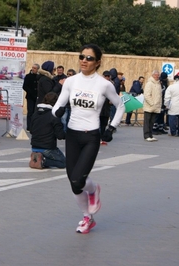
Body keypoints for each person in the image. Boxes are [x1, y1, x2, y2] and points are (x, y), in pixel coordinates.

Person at [51, 44, 125, 234]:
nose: (84, 60)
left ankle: (93, 191)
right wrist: (57, 112)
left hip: (91, 135)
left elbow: (120, 105)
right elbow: (58, 105)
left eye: (89, 58)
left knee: (78, 179)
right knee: (74, 183)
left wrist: (111, 127)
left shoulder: (104, 84)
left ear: (98, 62)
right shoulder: (71, 81)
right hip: (72, 135)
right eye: (81, 56)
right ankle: (87, 218)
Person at [30, 92, 66, 169]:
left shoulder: (35, 114)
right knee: (63, 163)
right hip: (47, 147)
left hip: (34, 146)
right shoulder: (54, 116)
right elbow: (60, 136)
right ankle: (43, 161)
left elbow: (31, 130)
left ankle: (37, 158)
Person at [142, 70, 162, 142]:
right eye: (156, 75)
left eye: (158, 75)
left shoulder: (159, 84)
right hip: (149, 106)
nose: (158, 76)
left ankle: (150, 135)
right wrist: (152, 103)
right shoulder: (149, 83)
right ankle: (146, 135)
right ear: (153, 75)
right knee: (147, 121)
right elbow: (147, 95)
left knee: (152, 122)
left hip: (156, 106)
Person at [22, 63, 39, 131]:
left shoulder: (39, 76)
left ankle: (35, 126)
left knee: (36, 112)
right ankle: (29, 126)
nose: (33, 69)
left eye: (35, 68)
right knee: (30, 112)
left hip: (37, 97)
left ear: (38, 69)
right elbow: (24, 86)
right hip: (30, 97)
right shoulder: (28, 76)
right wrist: (31, 92)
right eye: (32, 68)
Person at [100, 70, 112, 145]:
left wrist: (112, 101)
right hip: (99, 107)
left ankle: (102, 138)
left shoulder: (111, 85)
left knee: (104, 124)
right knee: (98, 124)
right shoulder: (99, 84)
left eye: (108, 76)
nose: (107, 77)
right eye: (105, 76)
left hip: (107, 108)